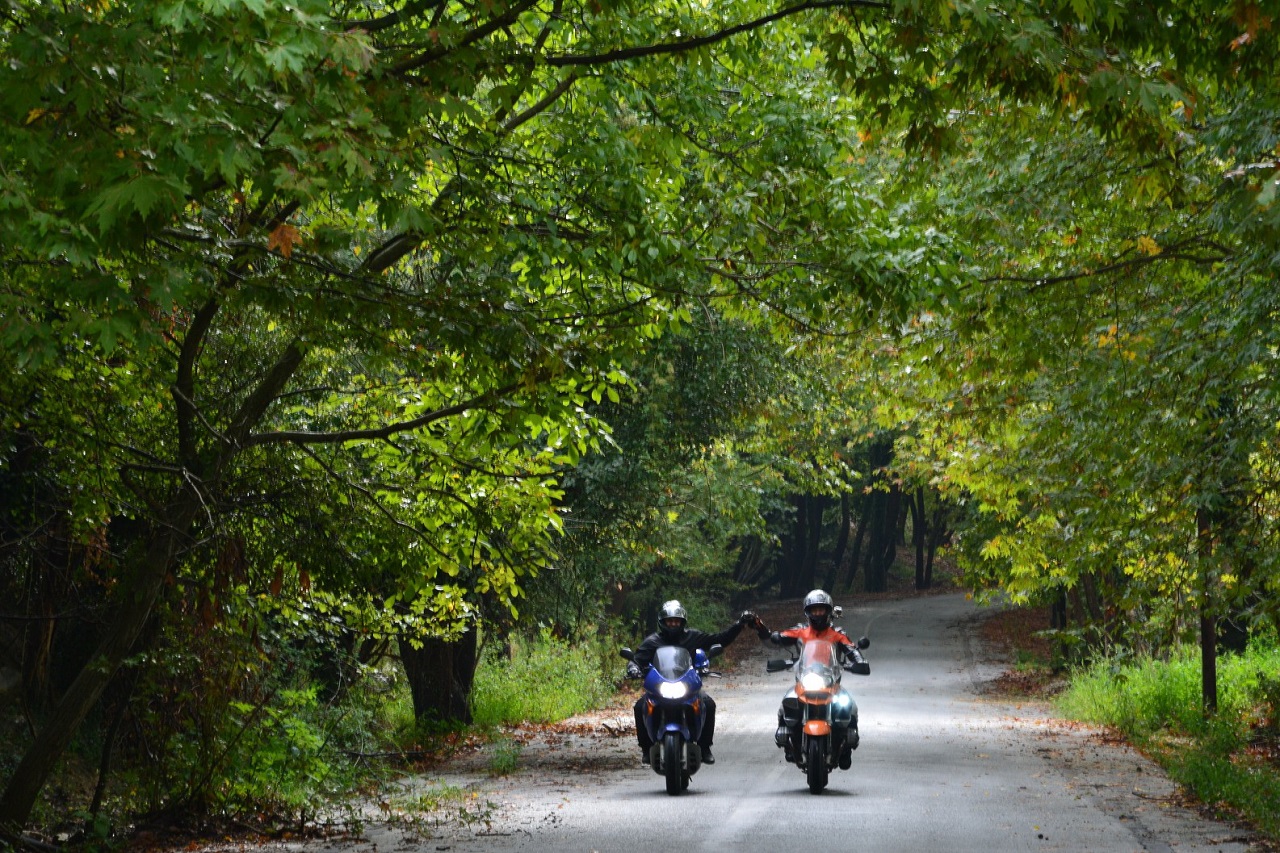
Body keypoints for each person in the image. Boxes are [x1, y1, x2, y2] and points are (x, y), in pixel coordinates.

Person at [627, 600, 757, 765]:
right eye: (669, 621)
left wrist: (739, 625)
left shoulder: (692, 636)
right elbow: (637, 660)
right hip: (661, 686)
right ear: (662, 622)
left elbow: (719, 639)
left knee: (708, 704)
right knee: (640, 706)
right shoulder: (653, 641)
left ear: (682, 622)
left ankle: (705, 747)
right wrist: (633, 669)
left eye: (676, 621)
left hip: (686, 685)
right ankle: (646, 749)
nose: (673, 625)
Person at [758, 589, 868, 766]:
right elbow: (774, 640)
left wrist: (859, 661)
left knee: (849, 706)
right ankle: (788, 743)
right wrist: (761, 627)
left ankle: (846, 747)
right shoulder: (800, 631)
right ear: (807, 612)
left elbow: (852, 649)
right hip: (805, 681)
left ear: (828, 611)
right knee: (786, 702)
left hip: (831, 683)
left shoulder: (837, 633)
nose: (818, 614)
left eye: (821, 610)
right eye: (814, 610)